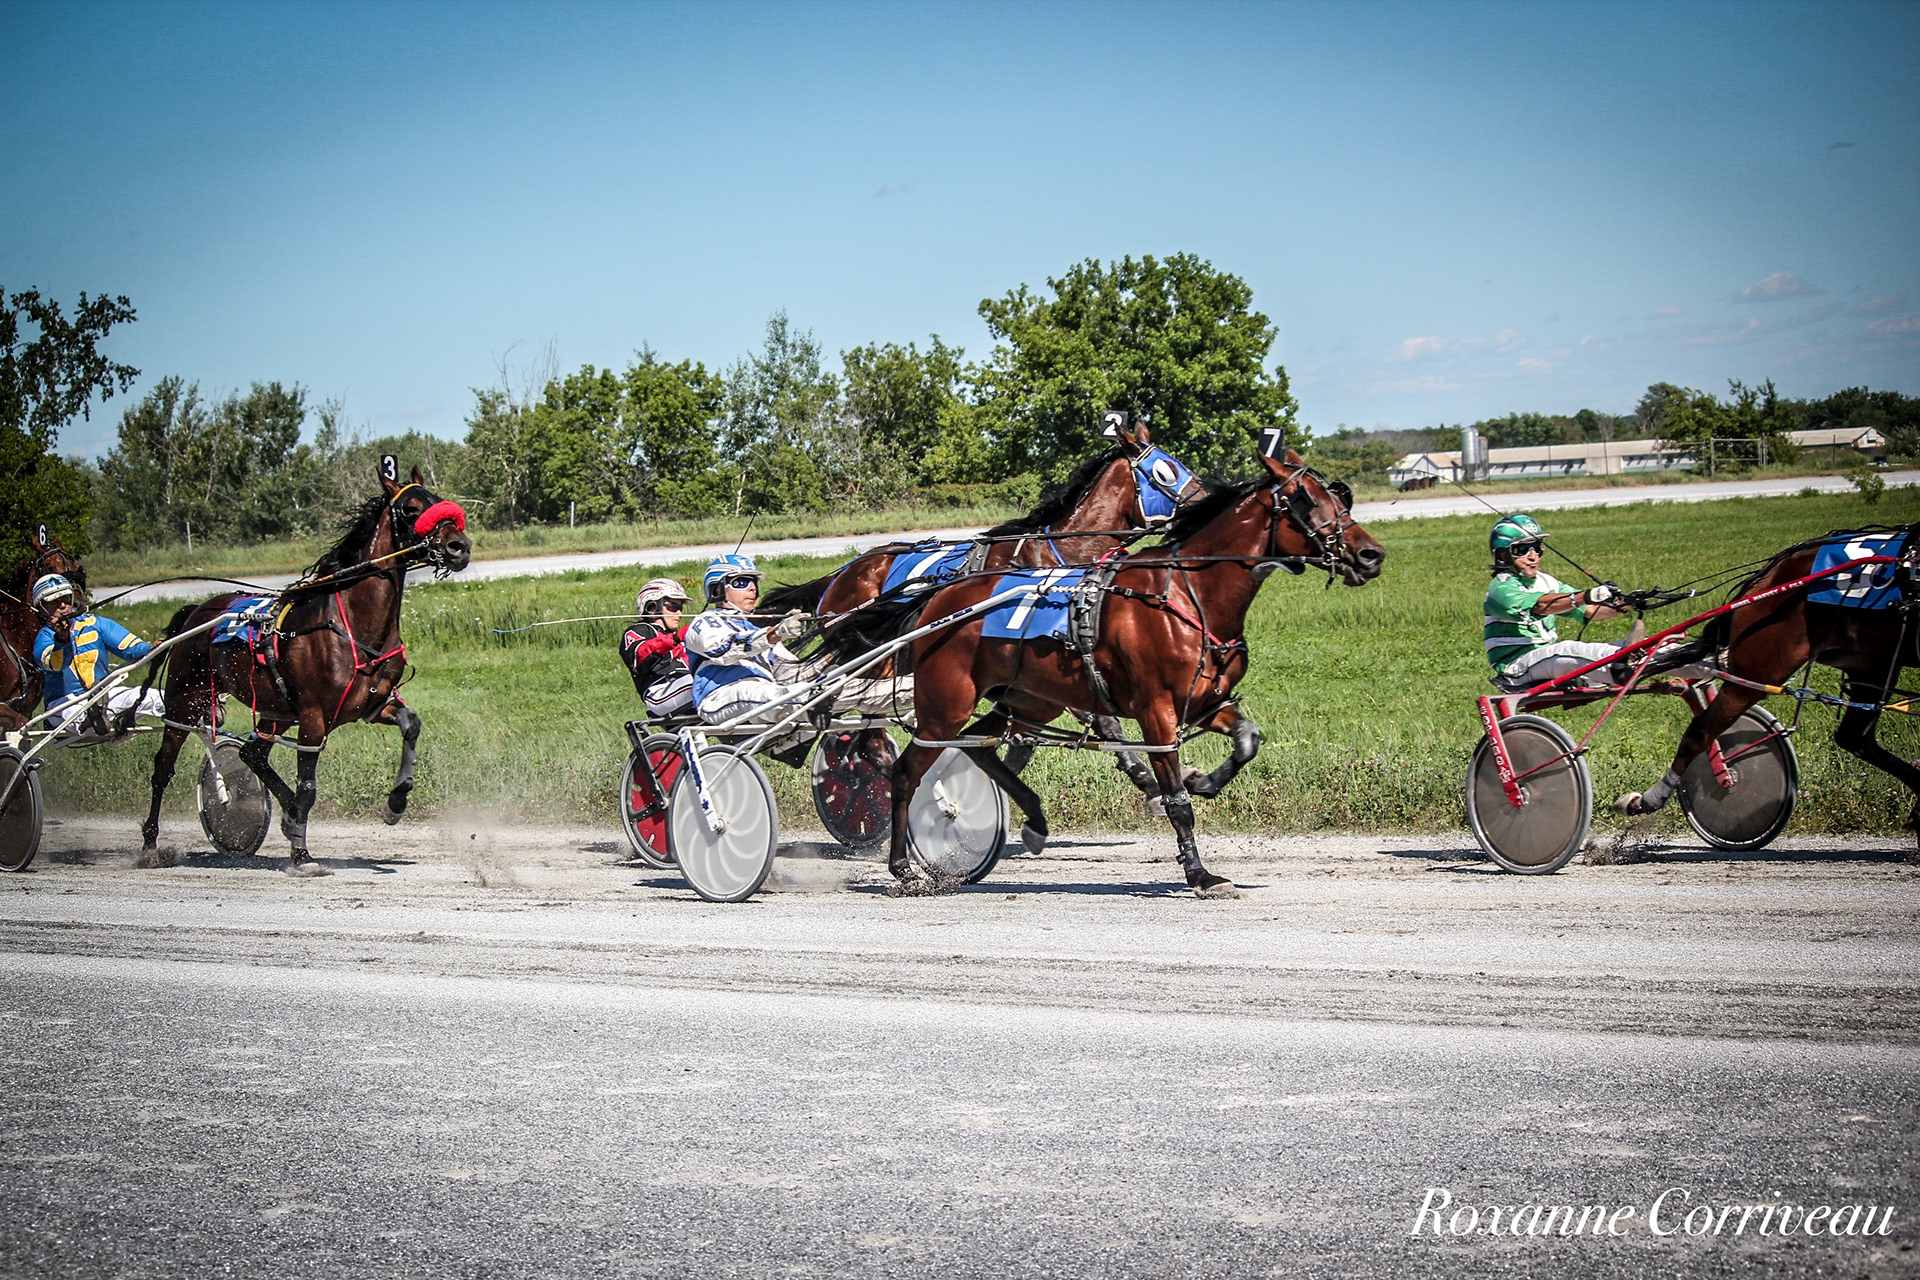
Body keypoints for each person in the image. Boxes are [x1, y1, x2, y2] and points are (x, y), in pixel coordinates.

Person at [1483, 514, 1708, 688]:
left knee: (1645, 646)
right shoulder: (1500, 588)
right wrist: (1584, 595)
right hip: (1516, 666)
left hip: (1545, 659)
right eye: (1522, 549)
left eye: (1537, 547)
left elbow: (1590, 610)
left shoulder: (1547, 581)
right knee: (1567, 650)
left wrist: (1623, 604)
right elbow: (1541, 605)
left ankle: (1713, 662)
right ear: (1503, 555)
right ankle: (1620, 666)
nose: (1533, 555)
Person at [683, 554, 813, 762]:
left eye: (753, 582)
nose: (752, 588)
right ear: (717, 590)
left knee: (816, 689)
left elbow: (794, 670)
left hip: (760, 695)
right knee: (763, 692)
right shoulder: (704, 622)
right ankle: (808, 706)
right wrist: (776, 633)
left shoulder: (756, 630)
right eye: (741, 582)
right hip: (718, 697)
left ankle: (791, 739)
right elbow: (724, 649)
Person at [31, 573, 167, 733]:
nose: (63, 606)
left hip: (105, 695)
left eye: (66, 599)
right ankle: (92, 718)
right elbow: (56, 664)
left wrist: (152, 650)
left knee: (156, 697)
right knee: (76, 714)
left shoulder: (95, 624)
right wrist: (62, 640)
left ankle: (200, 711)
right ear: (42, 609)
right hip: (64, 705)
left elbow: (131, 648)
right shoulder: (44, 638)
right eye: (54, 602)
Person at [621, 577, 695, 719]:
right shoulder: (638, 631)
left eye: (680, 608)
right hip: (660, 693)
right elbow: (640, 656)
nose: (679, 613)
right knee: (705, 679)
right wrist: (675, 638)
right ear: (652, 607)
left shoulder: (677, 638)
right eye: (673, 607)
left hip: (684, 687)